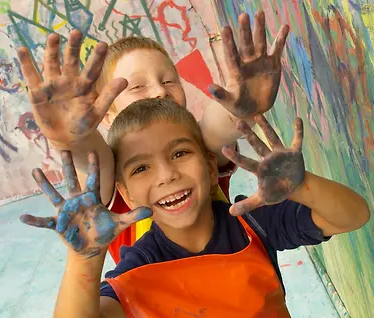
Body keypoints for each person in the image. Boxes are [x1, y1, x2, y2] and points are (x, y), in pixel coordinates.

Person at [20, 97, 371, 318]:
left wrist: (302, 186)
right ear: (125, 193)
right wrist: (85, 258)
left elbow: (353, 215)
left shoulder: (252, 223)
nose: (166, 175)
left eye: (179, 153)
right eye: (141, 167)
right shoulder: (139, 269)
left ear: (207, 164)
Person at [16, 11, 290, 263]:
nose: (160, 90)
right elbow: (94, 162)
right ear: (107, 115)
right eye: (137, 86)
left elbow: (213, 130)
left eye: (170, 81)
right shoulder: (112, 171)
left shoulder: (196, 148)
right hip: (158, 304)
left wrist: (238, 111)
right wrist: (75, 139)